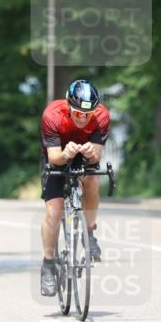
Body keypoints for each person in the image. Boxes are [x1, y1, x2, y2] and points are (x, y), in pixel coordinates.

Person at [39, 79, 110, 297]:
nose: (82, 118)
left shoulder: (101, 117)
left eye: (87, 114)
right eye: (77, 113)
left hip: (83, 156)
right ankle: (48, 264)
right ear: (69, 106)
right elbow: (54, 158)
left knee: (91, 180)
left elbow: (96, 155)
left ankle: (89, 233)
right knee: (54, 211)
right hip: (57, 155)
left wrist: (90, 153)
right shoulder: (52, 115)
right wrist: (65, 154)